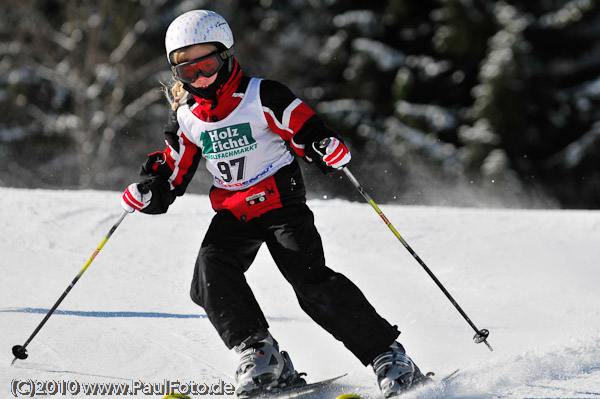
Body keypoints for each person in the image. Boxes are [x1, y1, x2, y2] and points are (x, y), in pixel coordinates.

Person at [121, 9, 428, 398]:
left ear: (226, 55)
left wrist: (322, 146)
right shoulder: (187, 117)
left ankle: (388, 357)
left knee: (311, 283)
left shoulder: (261, 95)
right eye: (188, 72)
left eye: (207, 65)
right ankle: (261, 355)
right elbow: (173, 168)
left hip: (280, 204)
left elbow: (304, 128)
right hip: (235, 210)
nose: (200, 78)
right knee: (210, 271)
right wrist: (151, 190)